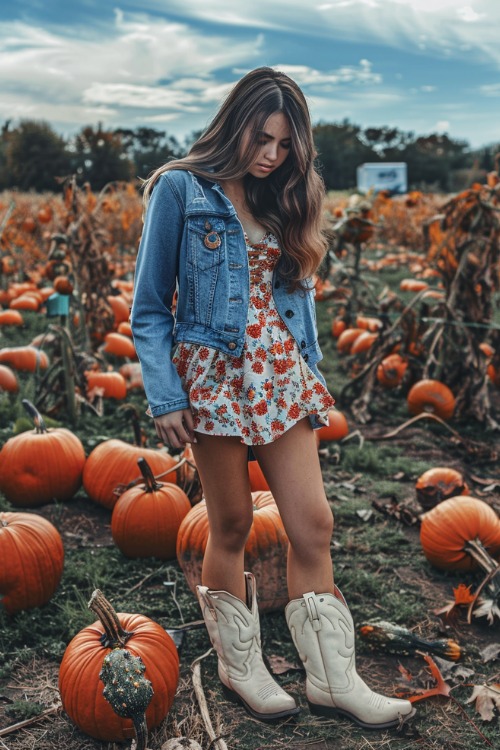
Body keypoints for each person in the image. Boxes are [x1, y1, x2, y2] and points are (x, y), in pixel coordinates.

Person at [130, 67, 414, 729]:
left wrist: (310, 374)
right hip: (214, 376)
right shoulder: (181, 189)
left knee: (312, 523)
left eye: (285, 145)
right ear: (235, 126)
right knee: (228, 525)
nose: (271, 156)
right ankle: (240, 665)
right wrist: (165, 394)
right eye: (262, 139)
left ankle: (332, 679)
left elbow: (297, 294)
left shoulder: (283, 196)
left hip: (279, 372)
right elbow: (149, 308)